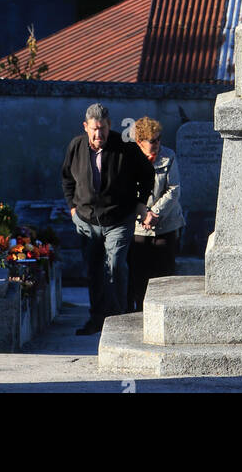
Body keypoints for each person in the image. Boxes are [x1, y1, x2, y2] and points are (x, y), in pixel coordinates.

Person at [61, 103, 155, 335]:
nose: (98, 134)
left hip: (118, 218)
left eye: (102, 128)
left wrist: (141, 203)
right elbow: (66, 178)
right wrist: (72, 208)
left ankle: (118, 319)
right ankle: (96, 318)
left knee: (115, 266)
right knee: (93, 269)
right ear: (86, 127)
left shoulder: (125, 147)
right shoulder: (76, 146)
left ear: (109, 126)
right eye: (94, 129)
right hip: (86, 219)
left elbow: (147, 174)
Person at [126, 117, 185, 313]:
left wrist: (155, 213)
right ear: (140, 142)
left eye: (159, 139)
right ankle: (141, 310)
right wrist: (143, 213)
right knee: (139, 273)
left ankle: (164, 311)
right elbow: (126, 191)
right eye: (152, 140)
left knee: (164, 271)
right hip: (139, 226)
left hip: (166, 223)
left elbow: (173, 189)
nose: (157, 144)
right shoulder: (129, 159)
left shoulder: (169, 156)